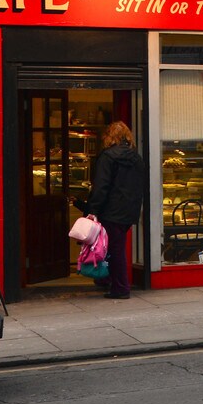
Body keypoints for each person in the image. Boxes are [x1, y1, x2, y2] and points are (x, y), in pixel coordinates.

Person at [79, 121, 146, 299]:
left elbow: (101, 186)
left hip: (111, 210)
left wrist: (92, 209)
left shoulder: (108, 157)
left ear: (109, 137)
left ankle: (121, 287)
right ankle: (108, 281)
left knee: (114, 250)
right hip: (129, 211)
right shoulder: (136, 157)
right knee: (114, 248)